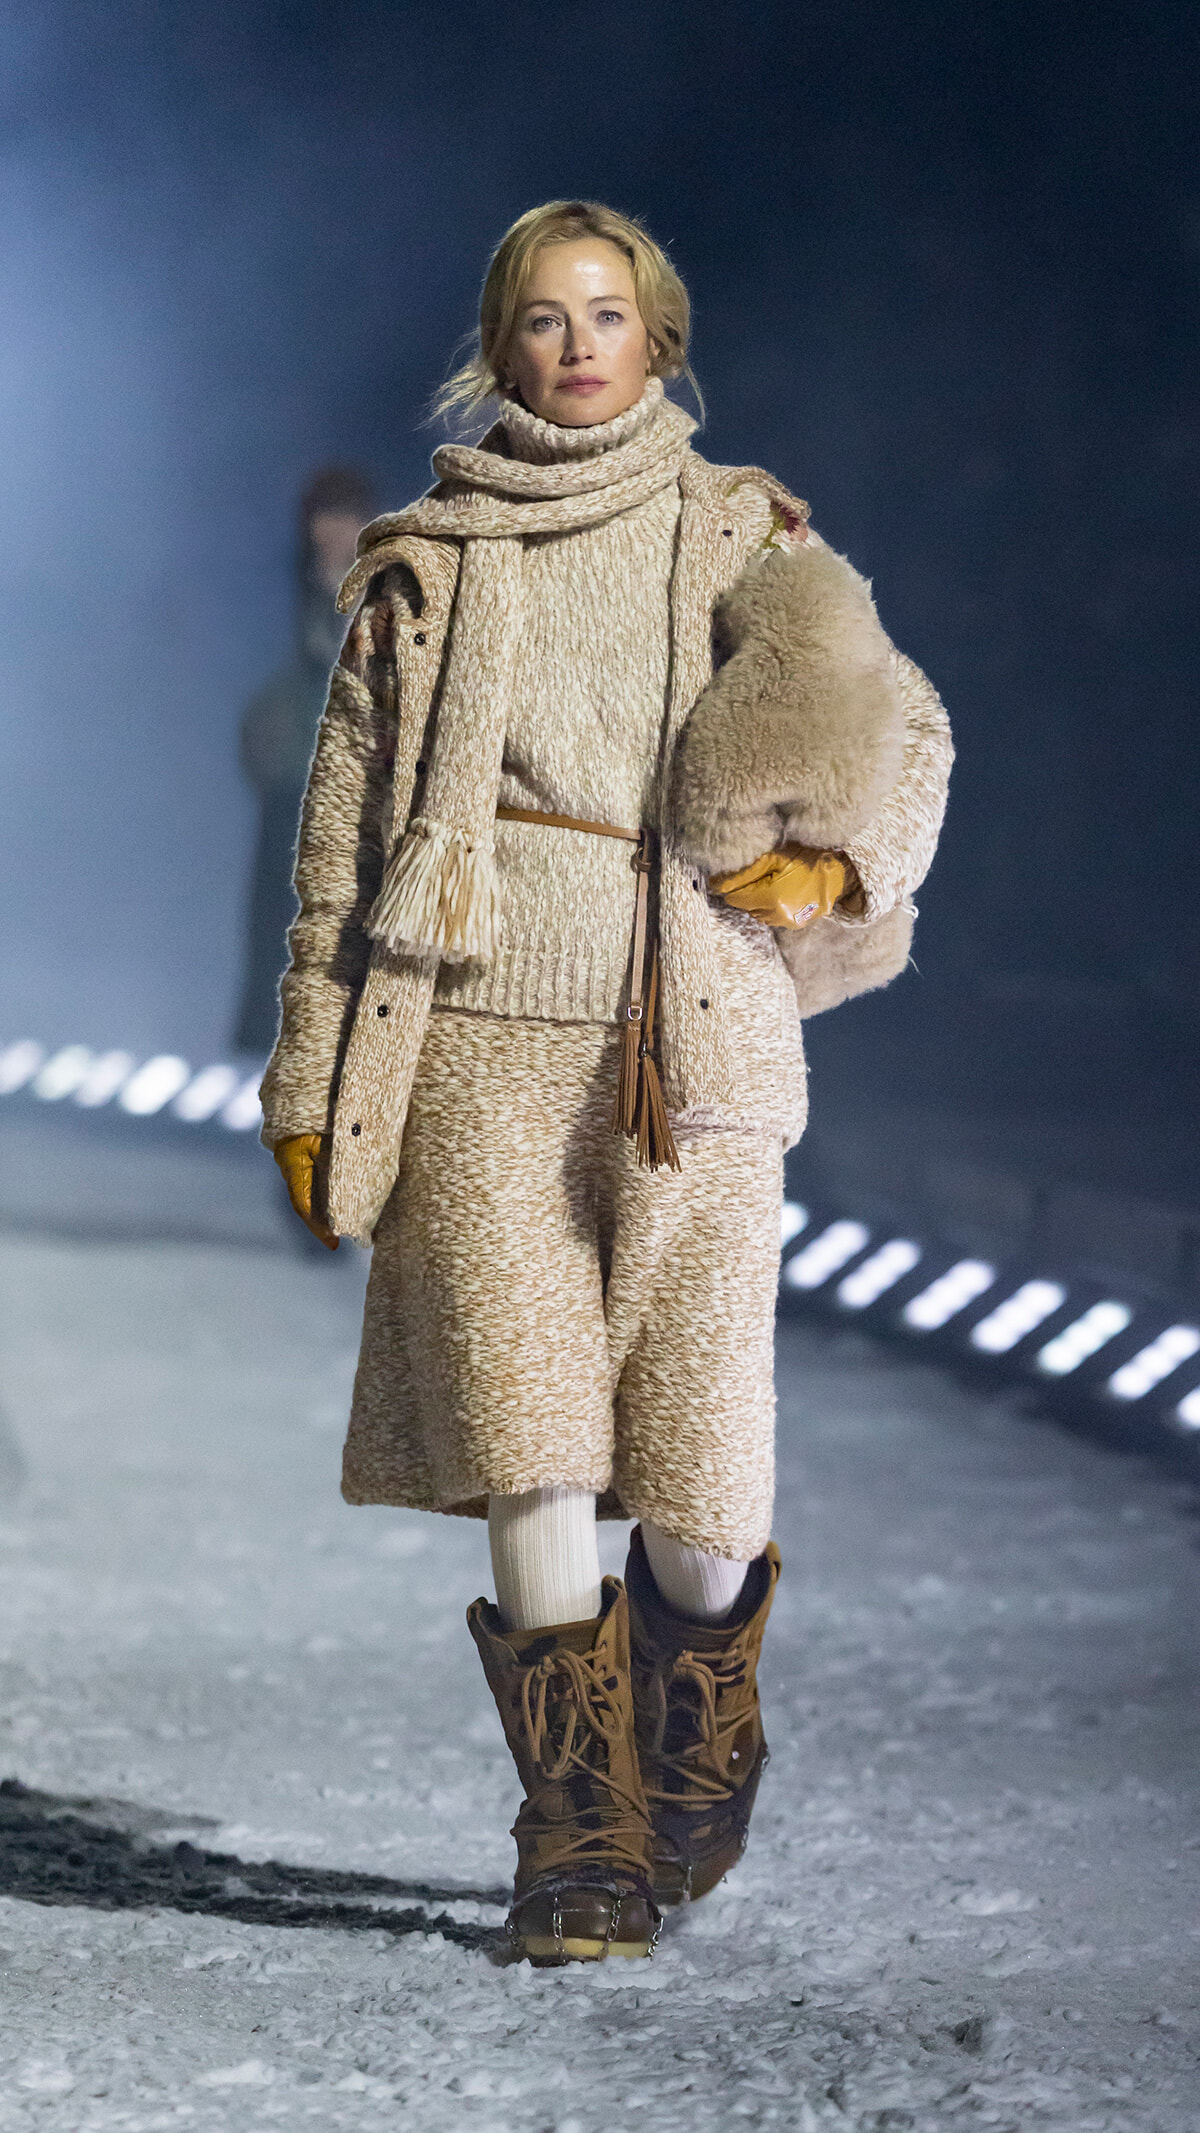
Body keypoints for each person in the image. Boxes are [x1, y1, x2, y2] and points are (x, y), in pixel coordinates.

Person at [259, 201, 952, 1966]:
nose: (579, 344)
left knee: (711, 1492)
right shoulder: (425, 563)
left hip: (695, 1041)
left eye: (610, 314)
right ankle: (578, 1838)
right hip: (477, 1032)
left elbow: (906, 728)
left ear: (660, 340)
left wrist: (837, 871)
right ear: (499, 345)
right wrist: (308, 1072)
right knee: (533, 1444)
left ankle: (696, 1709)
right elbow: (341, 835)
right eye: (546, 317)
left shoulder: (747, 535)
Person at [233, 467, 376, 1054]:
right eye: (326, 517)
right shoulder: (285, 589)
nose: (336, 530)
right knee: (275, 912)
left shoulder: (384, 588)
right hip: (292, 775)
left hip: (356, 779)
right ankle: (259, 1047)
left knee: (343, 920)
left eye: (348, 517)